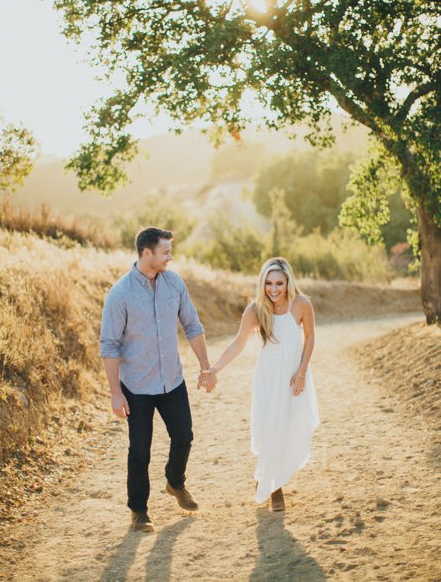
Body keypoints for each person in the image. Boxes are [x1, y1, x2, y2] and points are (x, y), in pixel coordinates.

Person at [100, 227, 215, 533]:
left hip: (172, 381)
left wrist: (205, 367)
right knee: (140, 449)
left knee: (184, 436)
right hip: (136, 385)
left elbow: (192, 324)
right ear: (147, 253)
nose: (170, 257)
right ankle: (139, 511)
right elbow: (109, 346)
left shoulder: (174, 282)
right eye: (165, 252)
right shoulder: (120, 293)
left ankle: (175, 483)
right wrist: (115, 393)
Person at [203, 257, 319, 511]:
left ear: (288, 281)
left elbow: (309, 338)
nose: (274, 289)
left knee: (289, 427)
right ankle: (275, 488)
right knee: (270, 429)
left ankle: (266, 476)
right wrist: (214, 369)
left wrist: (301, 373)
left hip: (293, 377)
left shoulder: (301, 304)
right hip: (267, 378)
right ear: (262, 283)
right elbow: (238, 344)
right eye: (268, 283)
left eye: (279, 282)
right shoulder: (256, 310)